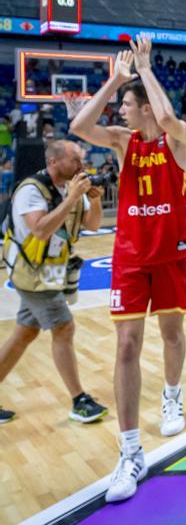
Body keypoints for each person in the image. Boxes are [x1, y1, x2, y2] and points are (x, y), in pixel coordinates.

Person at [70, 38, 186, 503]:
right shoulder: (122, 144)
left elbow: (165, 118)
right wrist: (115, 80)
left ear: (144, 107)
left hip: (170, 253)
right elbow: (79, 124)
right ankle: (129, 452)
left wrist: (144, 69)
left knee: (171, 334)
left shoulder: (177, 139)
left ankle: (172, 394)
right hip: (130, 255)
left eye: (126, 105)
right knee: (126, 344)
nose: (121, 112)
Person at [0, 140, 107, 425]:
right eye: (75, 160)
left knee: (24, 334)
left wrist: (94, 200)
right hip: (30, 272)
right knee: (63, 326)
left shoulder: (74, 188)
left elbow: (93, 225)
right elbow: (41, 229)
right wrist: (71, 199)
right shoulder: (31, 190)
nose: (81, 166)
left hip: (51, 271)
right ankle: (78, 400)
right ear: (54, 162)